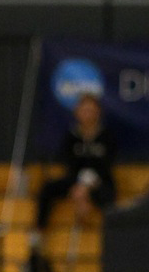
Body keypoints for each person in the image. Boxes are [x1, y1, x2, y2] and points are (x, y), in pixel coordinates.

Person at [35, 92, 117, 231]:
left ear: (98, 112)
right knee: (48, 188)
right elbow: (70, 164)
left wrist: (86, 187)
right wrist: (78, 185)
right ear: (77, 112)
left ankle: (108, 234)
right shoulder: (72, 136)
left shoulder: (106, 136)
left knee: (107, 195)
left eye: (91, 110)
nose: (87, 114)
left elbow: (105, 165)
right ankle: (37, 237)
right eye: (84, 110)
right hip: (74, 181)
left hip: (99, 182)